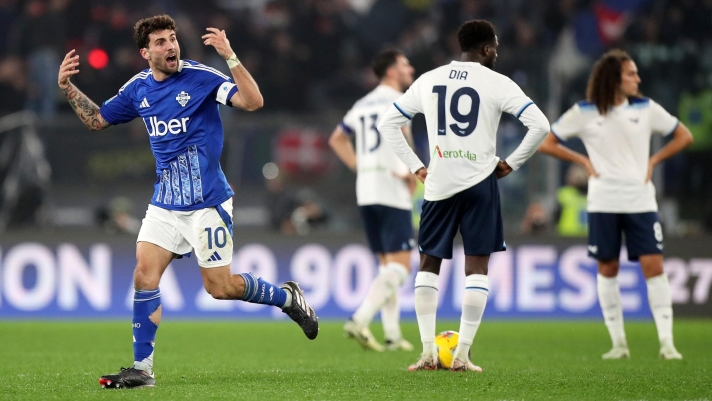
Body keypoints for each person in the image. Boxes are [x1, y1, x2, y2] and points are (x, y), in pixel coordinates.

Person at [57, 15, 319, 389]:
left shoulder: (201, 77)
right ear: (145, 53)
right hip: (165, 203)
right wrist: (66, 86)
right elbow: (97, 120)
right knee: (143, 274)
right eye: (161, 42)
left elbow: (253, 101)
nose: (171, 46)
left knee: (220, 287)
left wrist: (229, 56)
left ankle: (287, 298)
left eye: (173, 38)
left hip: (208, 203)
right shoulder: (138, 89)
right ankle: (142, 369)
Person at [377, 20, 550, 371]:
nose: (497, 53)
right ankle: (462, 355)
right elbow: (541, 126)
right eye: (495, 47)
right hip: (480, 182)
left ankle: (427, 353)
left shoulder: (429, 79)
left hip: (439, 182)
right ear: (486, 49)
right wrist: (512, 163)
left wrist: (416, 166)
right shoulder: (498, 82)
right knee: (477, 268)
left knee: (428, 265)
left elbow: (388, 124)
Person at [538, 49, 693, 360]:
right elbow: (546, 142)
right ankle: (619, 344)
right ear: (614, 79)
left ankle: (667, 343)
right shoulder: (584, 112)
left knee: (654, 266)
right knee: (607, 267)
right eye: (631, 73)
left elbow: (683, 135)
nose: (638, 78)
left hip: (640, 200)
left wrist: (654, 160)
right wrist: (581, 158)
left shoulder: (647, 109)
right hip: (603, 202)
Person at [329, 49, 417, 352]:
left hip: (366, 189)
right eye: (405, 65)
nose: (411, 69)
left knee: (387, 265)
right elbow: (403, 137)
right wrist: (411, 172)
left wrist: (358, 166)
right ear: (391, 72)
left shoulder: (363, 104)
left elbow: (337, 138)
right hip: (391, 186)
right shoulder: (400, 102)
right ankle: (360, 318)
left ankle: (392, 335)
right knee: (402, 266)